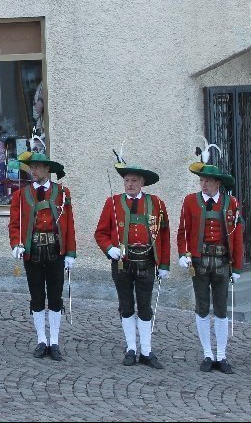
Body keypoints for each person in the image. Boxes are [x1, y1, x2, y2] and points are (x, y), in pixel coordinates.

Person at [94, 155, 170, 369]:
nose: (130, 184)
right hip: (122, 263)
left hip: (146, 262)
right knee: (126, 305)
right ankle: (131, 349)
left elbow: (164, 235)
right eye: (127, 180)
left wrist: (164, 264)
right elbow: (100, 233)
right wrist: (109, 248)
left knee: (145, 307)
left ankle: (146, 350)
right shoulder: (112, 203)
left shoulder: (157, 204)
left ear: (142, 182)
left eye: (134, 180)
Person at [177, 156, 243, 374]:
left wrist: (238, 267)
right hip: (199, 261)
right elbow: (183, 231)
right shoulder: (190, 201)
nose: (204, 184)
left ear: (217, 183)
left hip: (223, 261)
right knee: (202, 306)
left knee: (222, 309)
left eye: (208, 181)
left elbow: (238, 236)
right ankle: (207, 353)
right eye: (201, 180)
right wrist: (182, 253)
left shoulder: (231, 203)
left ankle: (222, 355)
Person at [9, 149, 76, 361]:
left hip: (56, 251)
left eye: (38, 167)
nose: (34, 171)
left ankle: (54, 341)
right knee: (37, 296)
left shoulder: (62, 192)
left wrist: (71, 253)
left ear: (47, 169)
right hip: (33, 252)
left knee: (55, 297)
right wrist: (16, 244)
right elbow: (14, 224)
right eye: (32, 167)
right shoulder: (20, 195)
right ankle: (41, 340)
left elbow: (69, 224)